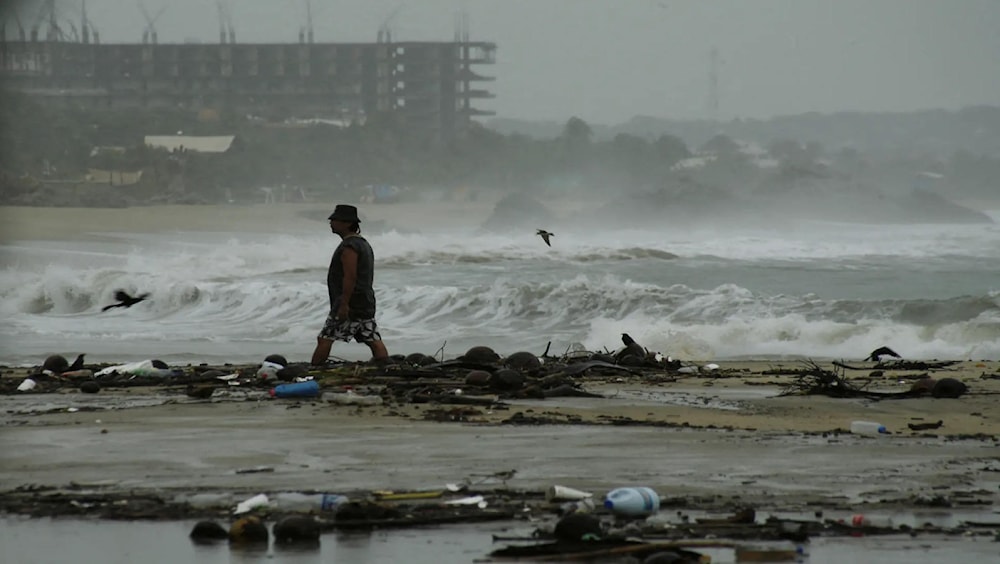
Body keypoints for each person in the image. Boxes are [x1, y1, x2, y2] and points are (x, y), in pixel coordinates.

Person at [311, 204, 389, 365]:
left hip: (351, 302)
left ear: (347, 223)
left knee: (325, 338)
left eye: (335, 220)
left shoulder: (349, 246)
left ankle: (314, 371)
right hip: (364, 300)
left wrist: (344, 304)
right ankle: (385, 365)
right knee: (372, 338)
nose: (331, 222)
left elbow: (350, 276)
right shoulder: (363, 244)